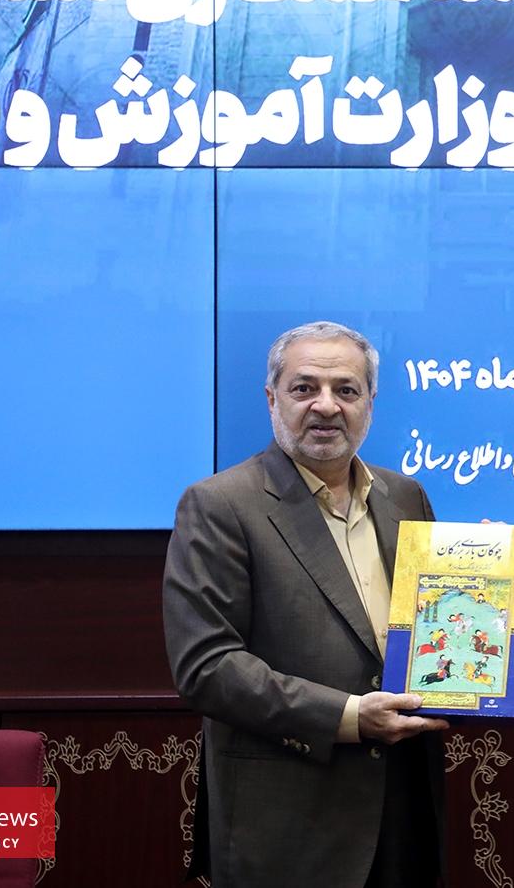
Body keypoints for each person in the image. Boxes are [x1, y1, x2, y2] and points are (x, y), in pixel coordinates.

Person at [163, 322, 447, 888]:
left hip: (404, 810)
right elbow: (207, 667)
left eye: (347, 390)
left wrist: (500, 619)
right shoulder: (220, 505)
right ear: (272, 399)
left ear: (370, 403)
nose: (327, 406)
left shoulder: (405, 496)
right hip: (289, 821)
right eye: (304, 388)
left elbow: (435, 629)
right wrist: (350, 717)